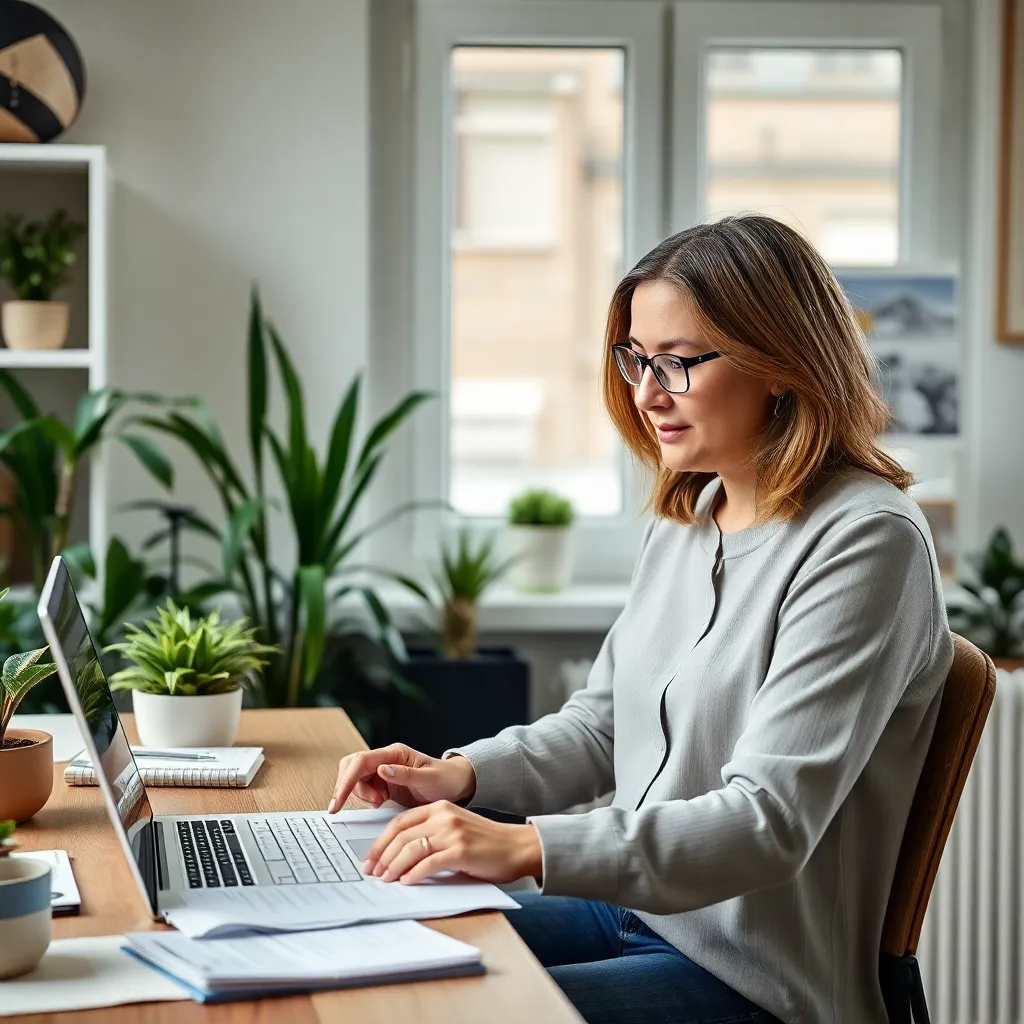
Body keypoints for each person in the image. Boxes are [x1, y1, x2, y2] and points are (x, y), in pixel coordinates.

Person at [328, 215, 953, 1024]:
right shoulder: (692, 514)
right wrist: (459, 775)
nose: (646, 392)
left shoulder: (867, 541)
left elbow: (768, 821)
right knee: (370, 949)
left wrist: (527, 846)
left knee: (439, 1011)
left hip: (760, 980)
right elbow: (601, 726)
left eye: (678, 362)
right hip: (636, 912)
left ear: (782, 364)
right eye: (636, 358)